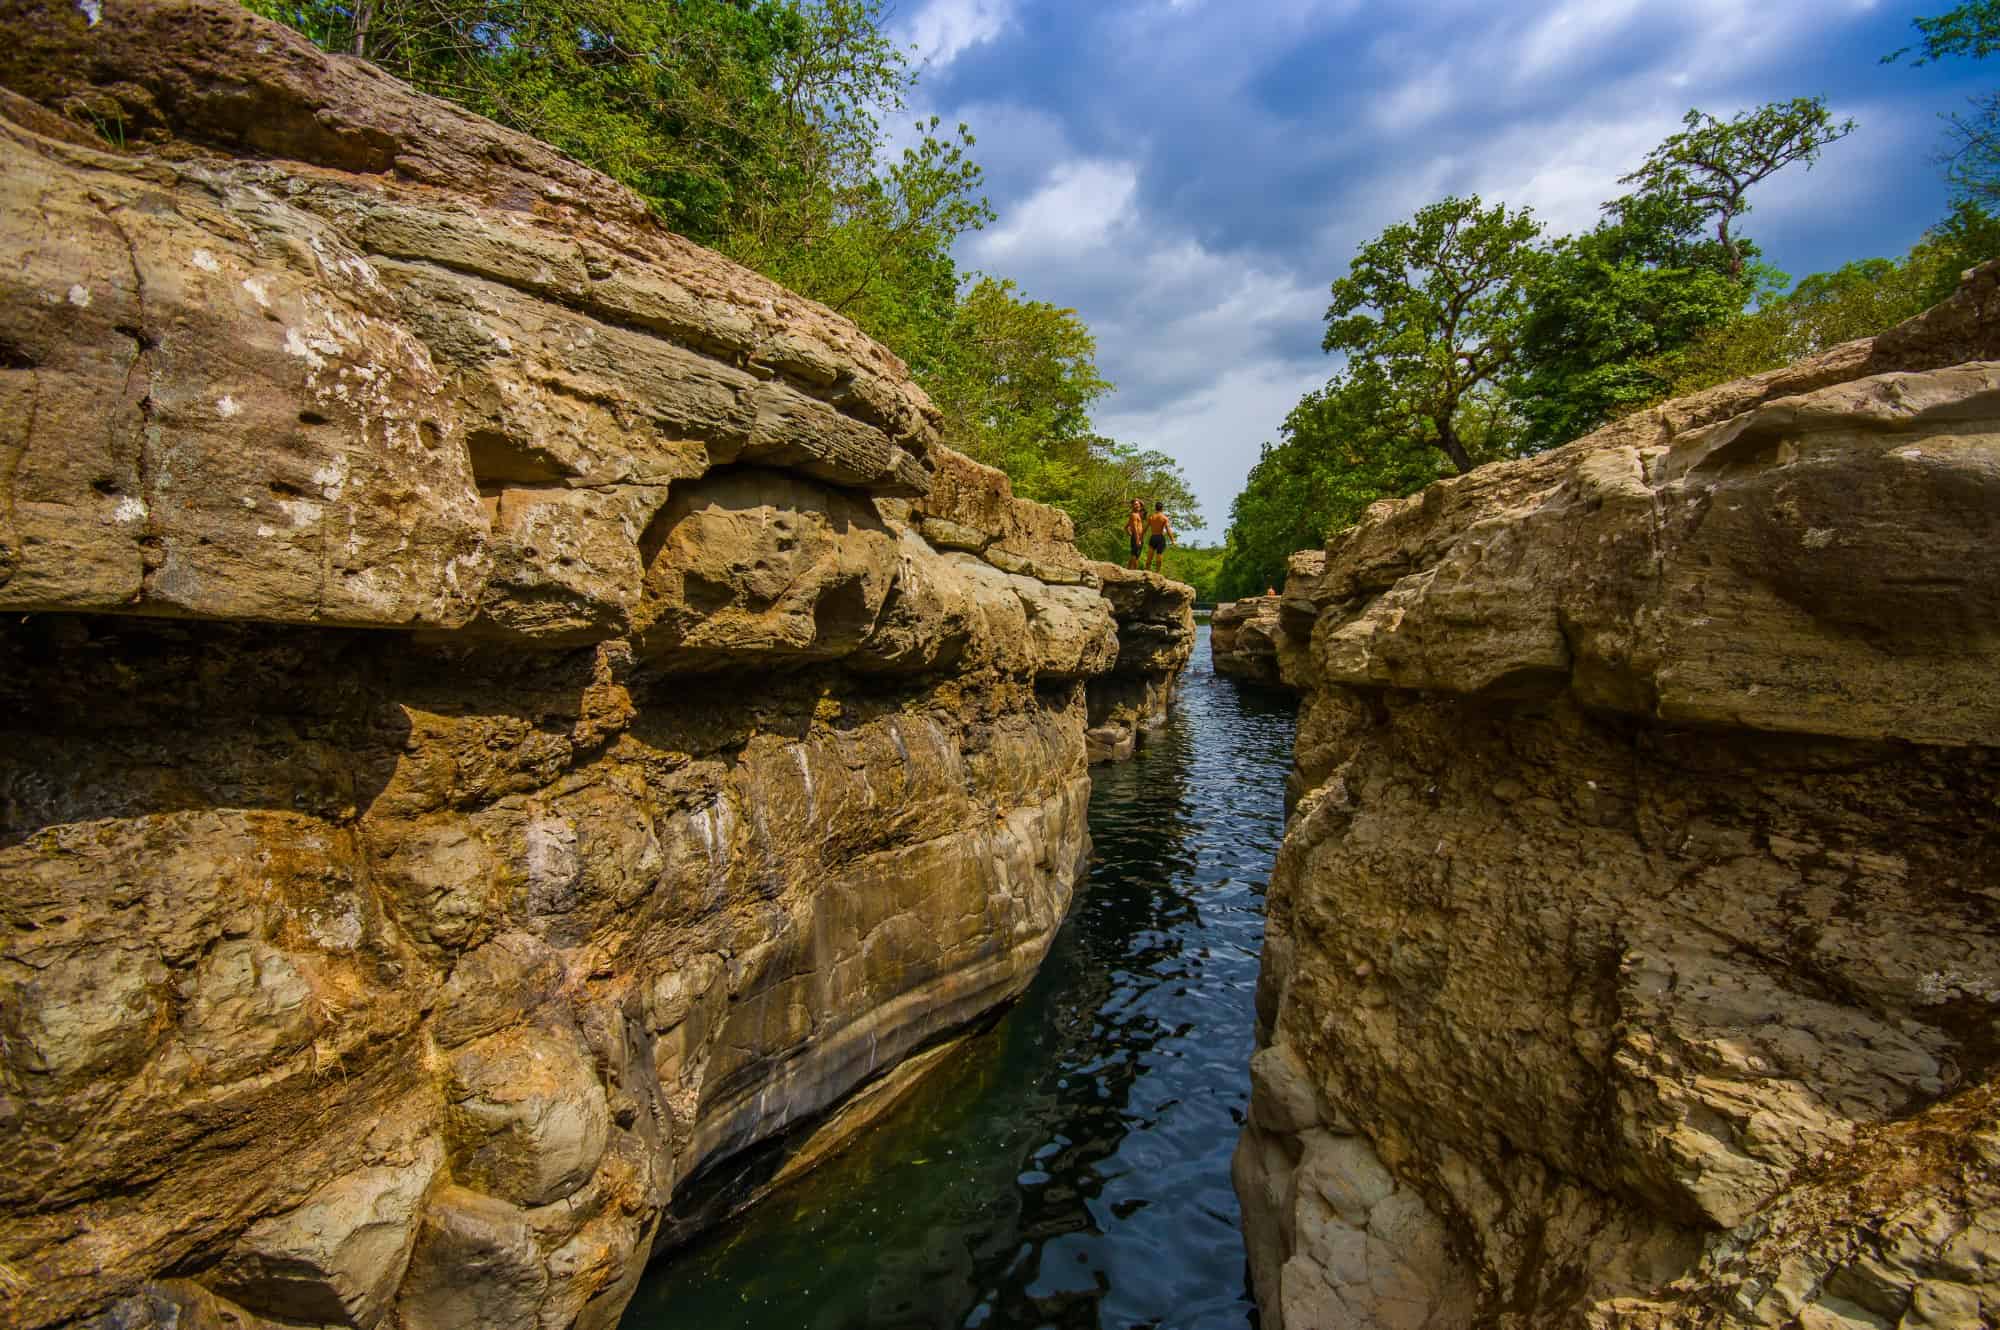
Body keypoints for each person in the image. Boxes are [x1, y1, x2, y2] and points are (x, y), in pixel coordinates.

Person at [1144, 500, 1174, 572]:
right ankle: (1157, 572)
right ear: (1162, 508)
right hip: (1160, 537)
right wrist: (1172, 540)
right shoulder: (1164, 518)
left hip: (1153, 537)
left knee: (1150, 555)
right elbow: (1168, 530)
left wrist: (1140, 537)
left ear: (1155, 508)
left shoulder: (1151, 517)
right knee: (1159, 554)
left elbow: (1145, 528)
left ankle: (1147, 570)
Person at [1124, 498, 1146, 569]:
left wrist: (1137, 499)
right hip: (1137, 537)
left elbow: (1126, 527)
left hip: (1139, 537)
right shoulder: (1134, 515)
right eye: (1135, 504)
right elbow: (1135, 528)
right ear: (1133, 506)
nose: (1137, 506)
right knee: (1135, 555)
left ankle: (1128, 569)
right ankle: (1135, 571)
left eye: (1138, 504)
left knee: (1135, 555)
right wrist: (1137, 539)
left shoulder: (1138, 514)